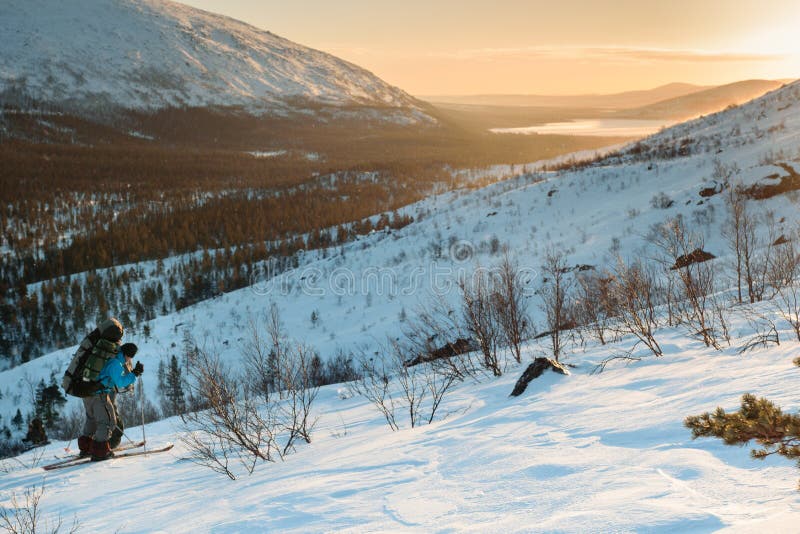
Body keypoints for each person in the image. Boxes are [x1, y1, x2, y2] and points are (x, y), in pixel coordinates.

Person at [77, 342, 144, 461]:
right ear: (127, 355)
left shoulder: (107, 358)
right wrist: (134, 374)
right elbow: (120, 382)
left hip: (87, 392)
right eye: (131, 357)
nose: (130, 360)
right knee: (108, 421)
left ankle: (86, 447)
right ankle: (100, 452)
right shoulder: (116, 363)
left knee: (91, 419)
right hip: (99, 394)